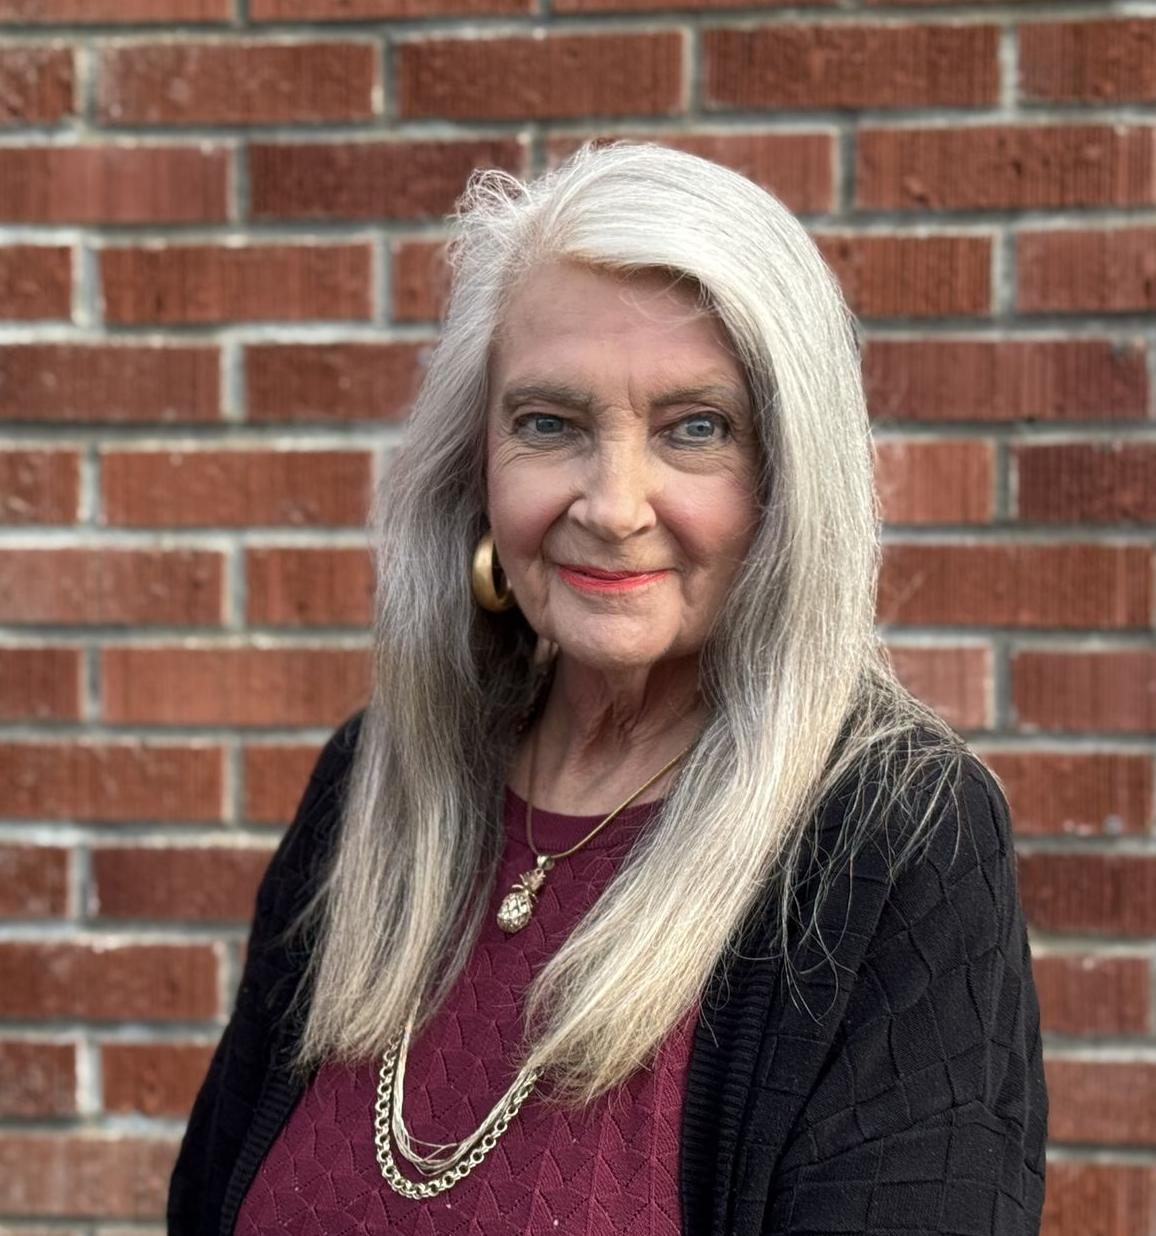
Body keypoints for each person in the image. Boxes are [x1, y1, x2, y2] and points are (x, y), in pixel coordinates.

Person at [168, 141, 1048, 1235]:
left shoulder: (894, 842)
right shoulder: (373, 781)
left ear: (785, 480)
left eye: (695, 429)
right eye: (550, 424)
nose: (613, 504)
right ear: (475, 467)